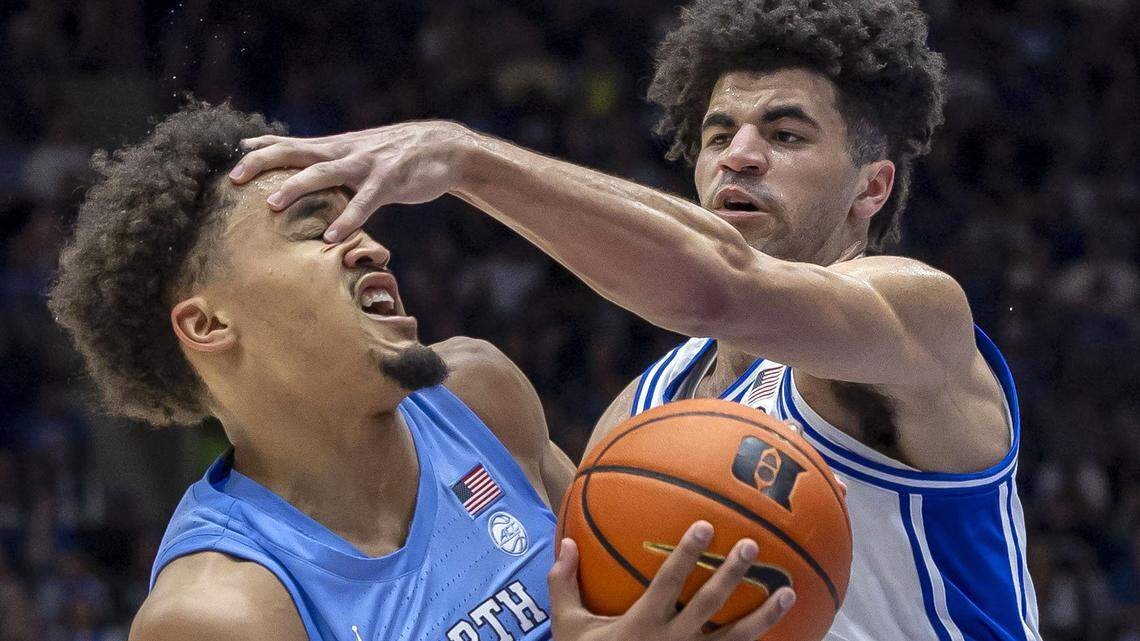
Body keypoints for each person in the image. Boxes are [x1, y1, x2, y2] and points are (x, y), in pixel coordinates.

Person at [229, 0, 1043, 639]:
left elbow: (722, 287)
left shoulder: (916, 320)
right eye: (719, 135)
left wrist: (464, 158)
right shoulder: (643, 415)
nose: (740, 155)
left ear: (872, 187)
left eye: (786, 133)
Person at [47, 101, 793, 641]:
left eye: (361, 221)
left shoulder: (481, 397)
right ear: (207, 325)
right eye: (315, 230)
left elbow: (621, 599)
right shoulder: (219, 610)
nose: (371, 246)